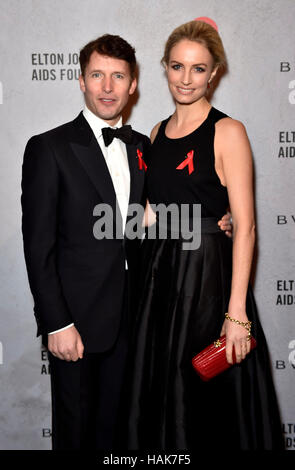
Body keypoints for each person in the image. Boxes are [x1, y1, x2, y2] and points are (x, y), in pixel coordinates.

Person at [21, 32, 232, 450]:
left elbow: (158, 211)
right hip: (75, 323)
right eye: (97, 75)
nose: (107, 86)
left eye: (118, 76)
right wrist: (57, 322)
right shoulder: (49, 148)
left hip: (137, 320)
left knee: (122, 435)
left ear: (133, 84)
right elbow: (37, 247)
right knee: (77, 433)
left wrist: (213, 222)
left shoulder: (143, 145)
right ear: (81, 81)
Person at [124, 20, 283, 450]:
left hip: (208, 279)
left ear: (214, 73)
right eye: (178, 67)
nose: (186, 78)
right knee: (160, 390)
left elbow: (245, 226)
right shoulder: (155, 133)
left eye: (199, 69)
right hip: (159, 278)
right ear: (165, 68)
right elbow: (152, 215)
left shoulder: (228, 131)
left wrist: (236, 313)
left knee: (202, 393)